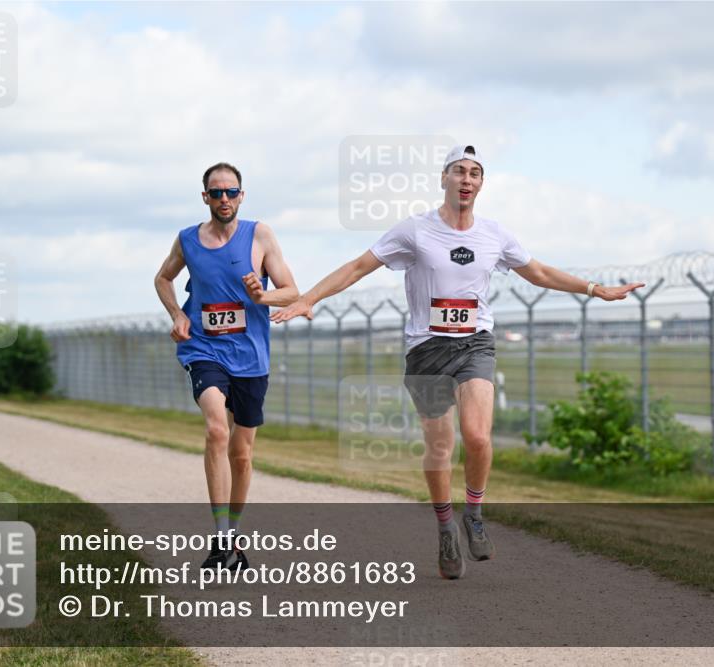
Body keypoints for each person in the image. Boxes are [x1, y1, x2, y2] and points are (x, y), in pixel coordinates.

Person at [272, 145, 643, 579]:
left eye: (475, 173)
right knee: (441, 447)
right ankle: (446, 527)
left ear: (481, 184)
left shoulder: (494, 235)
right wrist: (306, 299)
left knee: (478, 437)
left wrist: (596, 289)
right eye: (459, 172)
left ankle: (475, 513)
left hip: (474, 344)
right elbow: (358, 267)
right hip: (426, 350)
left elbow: (539, 273)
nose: (467, 179)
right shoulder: (414, 231)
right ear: (443, 179)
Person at [155, 161, 298, 571]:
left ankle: (233, 538)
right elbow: (162, 279)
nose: (223, 199)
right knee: (217, 428)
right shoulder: (187, 240)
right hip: (204, 349)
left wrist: (262, 295)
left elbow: (291, 292)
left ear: (241, 195)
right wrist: (178, 317)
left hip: (250, 357)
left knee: (242, 453)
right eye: (215, 193)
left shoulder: (261, 235)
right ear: (205, 197)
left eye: (230, 192)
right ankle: (220, 539)